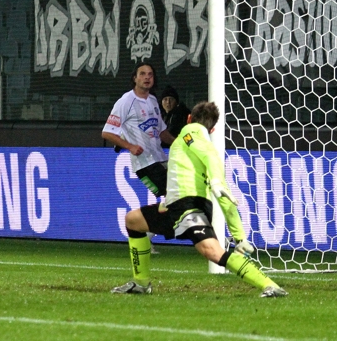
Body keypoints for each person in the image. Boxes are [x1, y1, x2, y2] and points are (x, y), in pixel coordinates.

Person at [111, 101, 287, 297]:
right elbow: (224, 197)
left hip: (188, 206)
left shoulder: (190, 133)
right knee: (133, 221)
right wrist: (239, 235)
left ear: (188, 119)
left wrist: (217, 181)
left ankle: (270, 285)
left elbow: (209, 155)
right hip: (176, 205)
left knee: (212, 251)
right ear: (212, 128)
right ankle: (141, 284)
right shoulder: (201, 145)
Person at [102, 62, 174, 253]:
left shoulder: (152, 101)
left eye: (150, 74)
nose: (147, 77)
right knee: (175, 196)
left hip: (160, 158)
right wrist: (129, 146)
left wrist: (180, 144)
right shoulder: (126, 101)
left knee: (176, 197)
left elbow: (162, 132)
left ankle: (145, 234)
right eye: (142, 74)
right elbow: (107, 133)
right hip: (144, 164)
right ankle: (144, 233)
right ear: (135, 78)